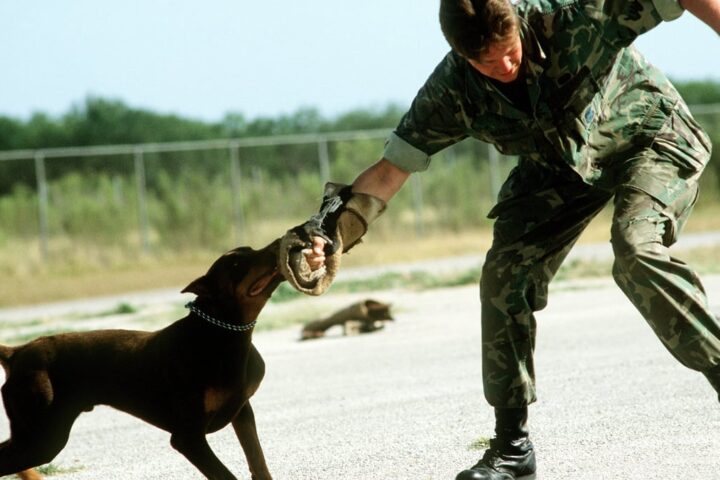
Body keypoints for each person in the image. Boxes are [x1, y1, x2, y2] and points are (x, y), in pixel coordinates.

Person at [279, 0, 720, 478]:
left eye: (509, 53)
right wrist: (330, 234)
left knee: (635, 251)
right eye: (487, 63)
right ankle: (512, 448)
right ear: (462, 55)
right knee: (504, 277)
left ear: (517, 24)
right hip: (560, 168)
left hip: (651, 139)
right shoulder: (452, 91)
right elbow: (388, 172)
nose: (505, 68)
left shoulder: (577, 16)